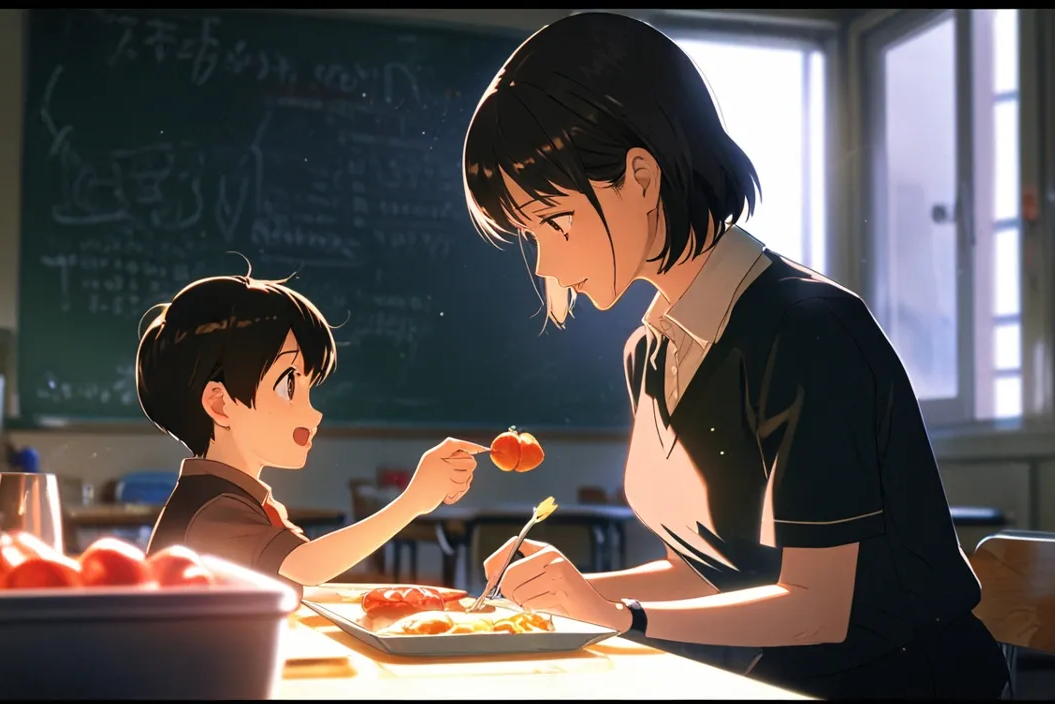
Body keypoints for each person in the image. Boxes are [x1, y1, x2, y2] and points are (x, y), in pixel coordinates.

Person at [462, 12, 1009, 700]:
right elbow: (708, 571)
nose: (544, 257)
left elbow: (818, 604)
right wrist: (562, 592)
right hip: (770, 677)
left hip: (898, 681)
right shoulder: (651, 352)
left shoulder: (809, 331)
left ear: (640, 175)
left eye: (555, 219)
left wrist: (617, 616)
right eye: (528, 232)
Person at [137, 272, 486, 596]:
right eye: (289, 386)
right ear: (220, 404)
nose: (314, 413)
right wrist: (413, 501)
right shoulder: (213, 509)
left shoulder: (241, 496)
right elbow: (307, 566)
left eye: (309, 388)